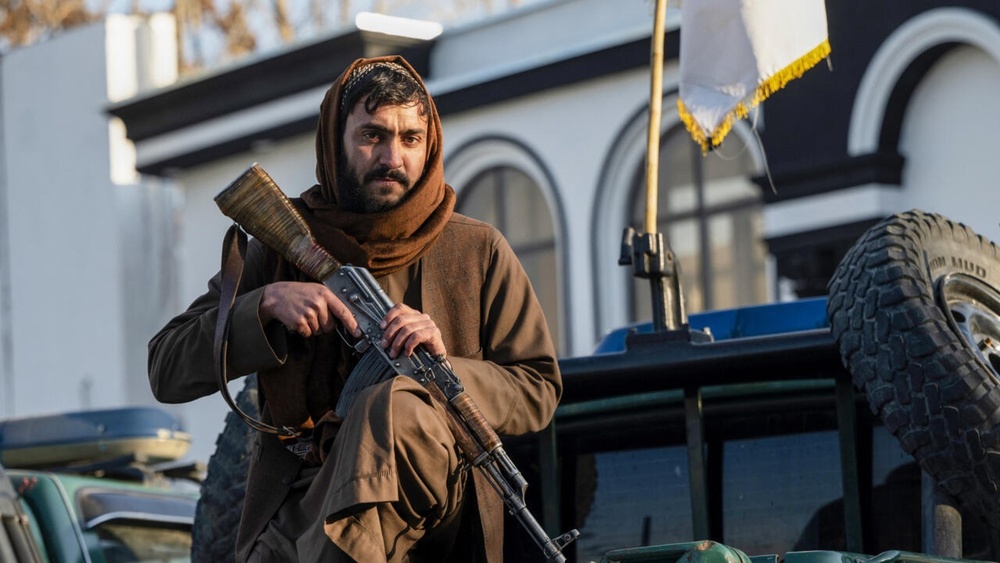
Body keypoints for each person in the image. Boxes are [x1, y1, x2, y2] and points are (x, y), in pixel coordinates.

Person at [147, 55, 562, 563]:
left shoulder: (476, 251)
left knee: (394, 407)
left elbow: (538, 388)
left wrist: (445, 369)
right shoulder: (287, 246)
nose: (393, 156)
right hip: (300, 506)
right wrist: (265, 307)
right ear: (334, 140)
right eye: (372, 135)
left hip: (434, 519)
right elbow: (165, 368)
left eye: (411, 138)